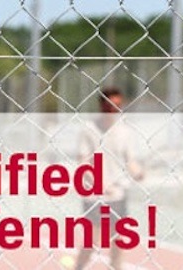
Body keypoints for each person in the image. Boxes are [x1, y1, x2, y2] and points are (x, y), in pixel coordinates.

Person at [73, 87, 144, 270]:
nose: (114, 110)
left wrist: (138, 172)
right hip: (94, 196)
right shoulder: (89, 130)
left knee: (119, 239)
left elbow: (131, 161)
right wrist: (99, 183)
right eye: (110, 106)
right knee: (93, 241)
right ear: (102, 105)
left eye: (118, 106)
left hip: (117, 195)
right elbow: (83, 162)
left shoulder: (125, 132)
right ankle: (78, 267)